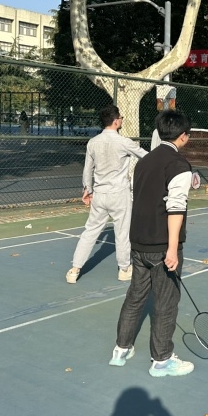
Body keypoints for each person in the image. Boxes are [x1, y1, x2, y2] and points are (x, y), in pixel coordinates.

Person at [110, 110, 195, 377]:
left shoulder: (144, 162)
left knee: (135, 296)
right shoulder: (179, 165)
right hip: (161, 245)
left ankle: (121, 349)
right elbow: (176, 208)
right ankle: (162, 360)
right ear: (184, 136)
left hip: (138, 241)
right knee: (166, 302)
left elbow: (142, 196)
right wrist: (172, 249)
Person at [66, 105, 148, 284]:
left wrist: (87, 189)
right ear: (116, 121)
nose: (122, 119)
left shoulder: (93, 142)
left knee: (90, 231)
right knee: (122, 232)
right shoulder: (124, 142)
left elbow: (88, 169)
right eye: (121, 117)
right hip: (119, 194)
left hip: (100, 194)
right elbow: (146, 157)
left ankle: (74, 269)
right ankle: (124, 269)